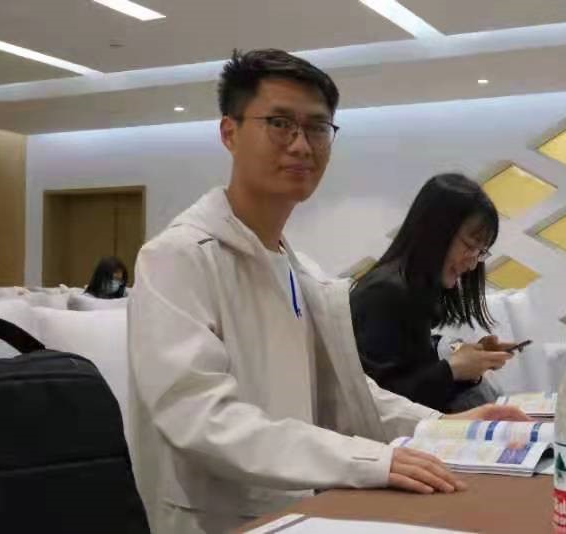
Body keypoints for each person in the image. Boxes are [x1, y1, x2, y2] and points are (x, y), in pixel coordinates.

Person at [127, 49, 528, 534]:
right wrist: (366, 460)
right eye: (280, 123)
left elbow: (347, 394)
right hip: (221, 519)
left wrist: (441, 427)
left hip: (309, 505)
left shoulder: (302, 271)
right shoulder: (177, 257)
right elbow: (201, 417)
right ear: (229, 133)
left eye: (317, 128)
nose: (301, 145)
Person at [351, 174, 520, 413]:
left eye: (480, 252)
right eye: (470, 246)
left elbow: (412, 370)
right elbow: (382, 403)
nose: (473, 264)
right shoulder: (384, 294)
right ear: (435, 232)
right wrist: (454, 369)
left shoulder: (408, 290)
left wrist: (471, 359)